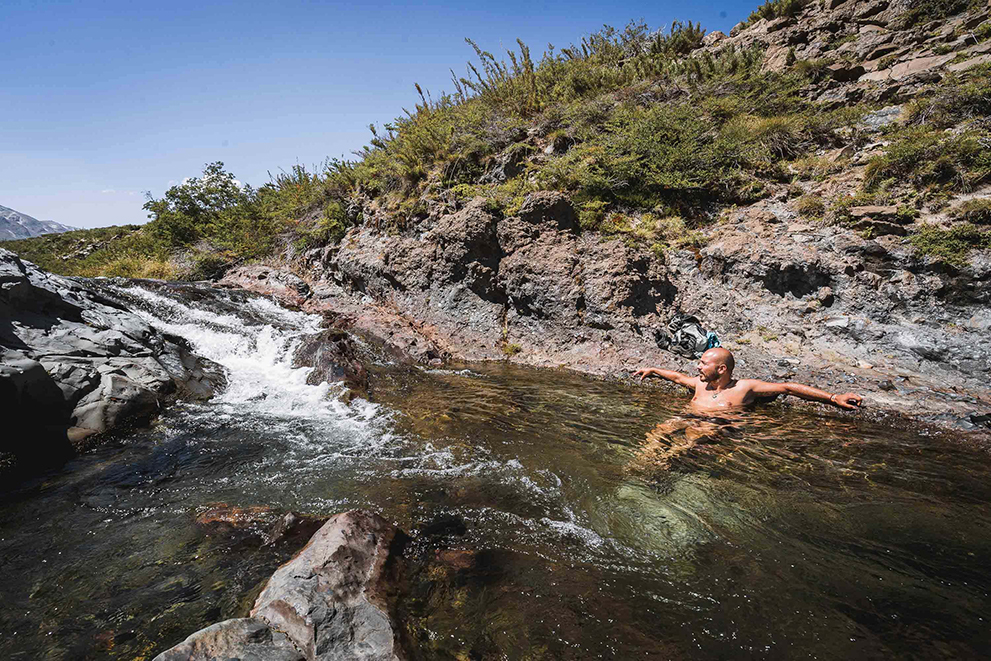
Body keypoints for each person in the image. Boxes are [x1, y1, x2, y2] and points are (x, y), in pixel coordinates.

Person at [633, 347, 862, 412]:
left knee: (696, 435)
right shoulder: (700, 383)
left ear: (722, 369)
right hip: (689, 419)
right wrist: (653, 369)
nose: (698, 367)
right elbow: (677, 377)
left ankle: (666, 463)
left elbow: (787, 388)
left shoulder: (744, 387)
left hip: (714, 428)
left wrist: (833, 397)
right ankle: (646, 462)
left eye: (704, 363)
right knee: (663, 429)